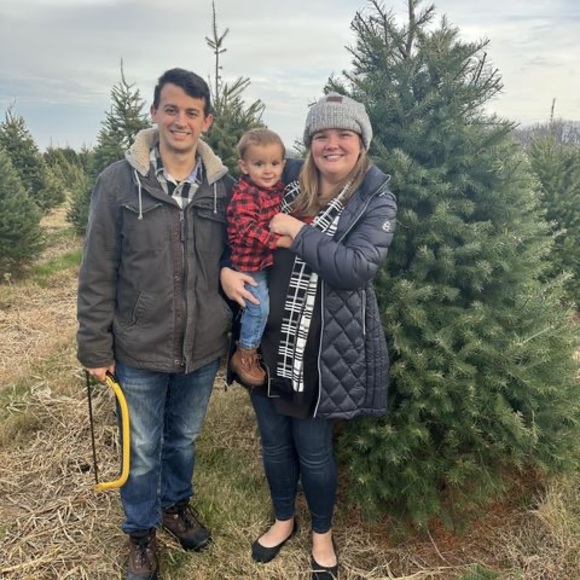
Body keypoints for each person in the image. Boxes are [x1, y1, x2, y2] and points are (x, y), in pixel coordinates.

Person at [77, 68, 252, 580]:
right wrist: (94, 346)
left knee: (183, 439)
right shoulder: (119, 181)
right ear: (154, 112)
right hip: (139, 345)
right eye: (171, 109)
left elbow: (240, 253)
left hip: (201, 345)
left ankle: (175, 507)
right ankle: (140, 532)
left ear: (207, 121)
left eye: (192, 112)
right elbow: (96, 269)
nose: (180, 120)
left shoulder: (224, 189)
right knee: (142, 448)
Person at [223, 92, 398, 580]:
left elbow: (356, 268)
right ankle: (284, 519)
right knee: (274, 442)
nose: (332, 144)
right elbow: (237, 231)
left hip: (320, 352)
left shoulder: (374, 198)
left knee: (315, 450)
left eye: (344, 134)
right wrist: (224, 271)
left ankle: (322, 532)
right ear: (309, 142)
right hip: (265, 341)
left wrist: (299, 235)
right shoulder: (283, 180)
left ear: (361, 141)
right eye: (321, 135)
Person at [226, 128, 286, 387]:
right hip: (248, 264)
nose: (268, 170)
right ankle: (245, 353)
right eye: (259, 164)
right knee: (258, 306)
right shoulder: (245, 194)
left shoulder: (276, 189)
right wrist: (281, 240)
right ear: (244, 166)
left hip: (266, 260)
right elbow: (247, 230)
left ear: (283, 164)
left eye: (274, 163)